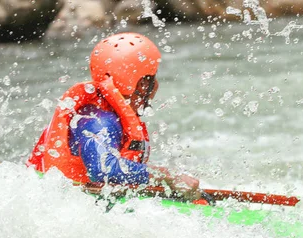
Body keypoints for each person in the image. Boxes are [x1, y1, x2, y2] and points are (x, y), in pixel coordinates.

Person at [27, 32, 200, 200]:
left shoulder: (109, 115)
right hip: (61, 204)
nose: (156, 86)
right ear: (142, 84)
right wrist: (166, 177)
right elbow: (102, 169)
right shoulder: (97, 121)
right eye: (152, 79)